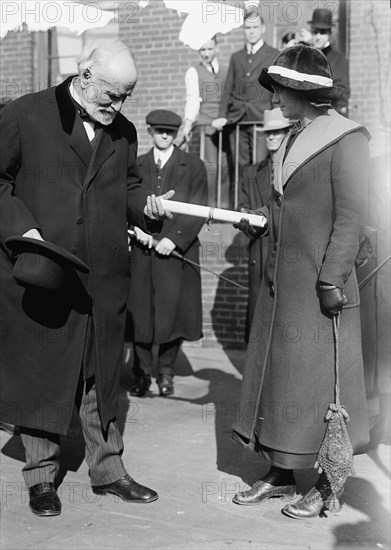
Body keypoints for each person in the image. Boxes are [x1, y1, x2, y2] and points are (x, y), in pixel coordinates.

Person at [0, 39, 174, 517]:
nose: (116, 107)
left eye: (126, 98)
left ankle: (108, 470)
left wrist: (149, 209)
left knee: (103, 376)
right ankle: (40, 478)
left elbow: (130, 190)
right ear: (84, 75)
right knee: (45, 372)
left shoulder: (124, 131)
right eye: (110, 95)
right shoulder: (25, 114)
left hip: (105, 275)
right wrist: (24, 231)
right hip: (45, 268)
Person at [232, 45, 370, 519]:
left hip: (320, 285)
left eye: (281, 93)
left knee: (322, 386)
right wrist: (258, 219)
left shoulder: (348, 139)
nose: (275, 101)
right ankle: (282, 470)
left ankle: (330, 483)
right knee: (283, 384)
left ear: (303, 92)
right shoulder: (292, 137)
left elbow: (353, 216)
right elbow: (281, 205)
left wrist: (332, 277)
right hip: (281, 283)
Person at [127, 109, 208, 398]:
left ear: (176, 134)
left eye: (169, 132)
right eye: (158, 130)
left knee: (173, 314)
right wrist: (138, 231)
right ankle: (141, 374)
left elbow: (199, 206)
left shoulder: (194, 166)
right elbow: (124, 202)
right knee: (140, 313)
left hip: (176, 254)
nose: (164, 135)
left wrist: (173, 239)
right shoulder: (135, 165)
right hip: (142, 251)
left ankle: (166, 374)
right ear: (149, 131)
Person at [238, 108, 291, 340]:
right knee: (259, 320)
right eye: (267, 132)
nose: (270, 137)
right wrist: (245, 220)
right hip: (260, 250)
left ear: (288, 133)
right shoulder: (251, 173)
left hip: (290, 251)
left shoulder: (298, 170)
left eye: (277, 132)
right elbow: (243, 208)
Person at [213, 9, 279, 179]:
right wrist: (222, 115)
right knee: (241, 166)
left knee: (260, 162)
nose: (251, 31)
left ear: (263, 28)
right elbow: (228, 88)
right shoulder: (237, 57)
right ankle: (242, 205)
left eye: (255, 27)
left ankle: (259, 204)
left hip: (261, 118)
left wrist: (275, 117)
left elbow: (276, 87)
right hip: (238, 119)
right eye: (247, 28)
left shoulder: (273, 54)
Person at [182, 37, 230, 207]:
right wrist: (188, 124)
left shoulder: (226, 70)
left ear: (216, 47)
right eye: (202, 50)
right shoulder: (194, 71)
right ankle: (209, 209)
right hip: (206, 127)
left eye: (210, 49)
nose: (206, 53)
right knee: (211, 168)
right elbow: (193, 100)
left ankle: (224, 207)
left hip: (226, 126)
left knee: (225, 167)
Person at [308, 8, 350, 115]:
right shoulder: (306, 57)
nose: (317, 37)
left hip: (328, 116)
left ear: (329, 33)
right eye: (315, 32)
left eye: (322, 33)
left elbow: (342, 94)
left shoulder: (338, 59)